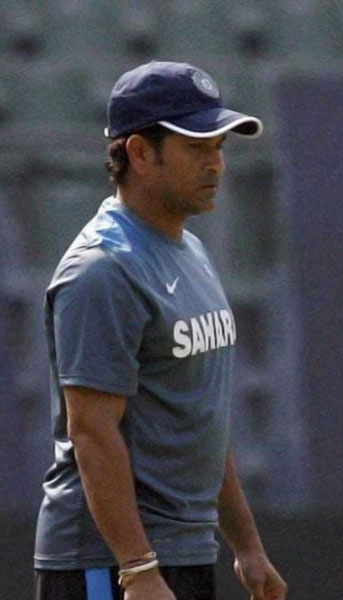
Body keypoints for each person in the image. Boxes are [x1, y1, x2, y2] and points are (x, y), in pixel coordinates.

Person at [34, 61, 288, 600]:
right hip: (106, 565)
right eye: (198, 147)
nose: (217, 164)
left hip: (183, 554)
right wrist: (138, 569)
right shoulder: (102, 270)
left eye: (220, 146)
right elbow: (92, 432)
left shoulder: (190, 251)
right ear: (139, 153)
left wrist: (246, 545)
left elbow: (199, 415)